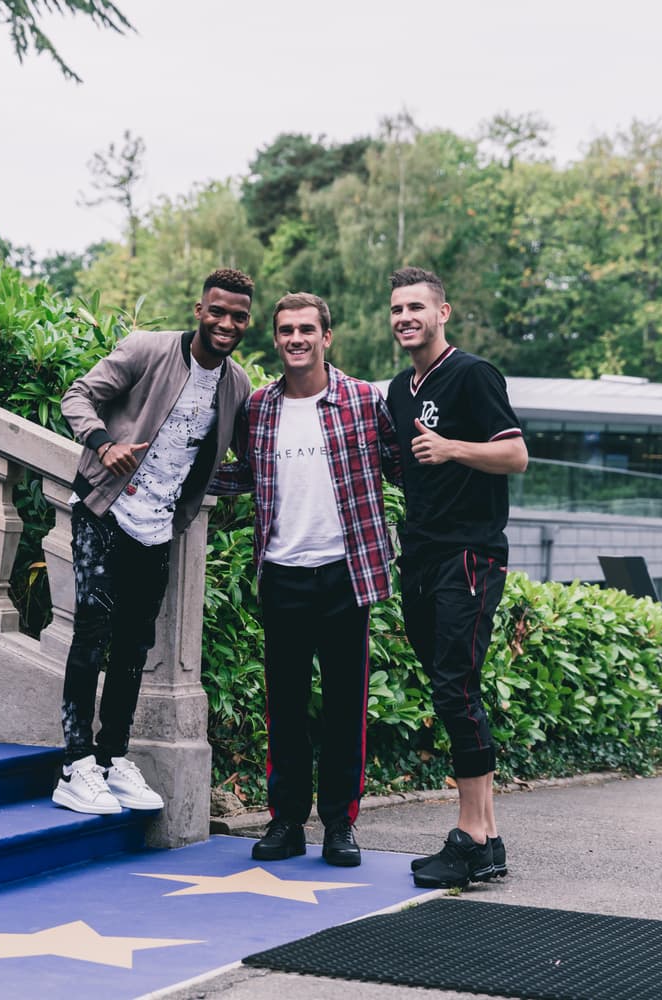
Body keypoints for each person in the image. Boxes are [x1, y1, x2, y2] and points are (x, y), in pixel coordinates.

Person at [52, 268, 254, 815]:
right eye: (218, 311)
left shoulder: (236, 386)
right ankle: (74, 765)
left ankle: (112, 757)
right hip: (104, 507)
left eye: (238, 316)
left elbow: (227, 458)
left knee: (135, 645)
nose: (226, 323)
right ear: (199, 309)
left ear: (246, 322)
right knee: (92, 628)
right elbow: (77, 397)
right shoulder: (148, 349)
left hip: (159, 523)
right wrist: (104, 443)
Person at [212, 292, 401, 866]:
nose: (296, 338)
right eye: (286, 330)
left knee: (346, 705)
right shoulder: (260, 407)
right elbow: (241, 473)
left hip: (346, 576)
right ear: (277, 339)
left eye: (306, 330)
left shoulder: (365, 400)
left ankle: (340, 825)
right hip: (281, 573)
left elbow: (403, 464)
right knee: (286, 706)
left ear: (327, 337)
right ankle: (286, 822)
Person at [385, 266, 528, 889]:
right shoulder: (398, 388)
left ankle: (470, 835)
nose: (405, 317)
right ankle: (487, 840)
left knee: (455, 688)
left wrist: (452, 448)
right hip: (418, 556)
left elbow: (516, 454)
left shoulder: (472, 375)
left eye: (417, 306)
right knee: (451, 687)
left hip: (468, 554)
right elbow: (402, 467)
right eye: (397, 309)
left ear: (444, 313)